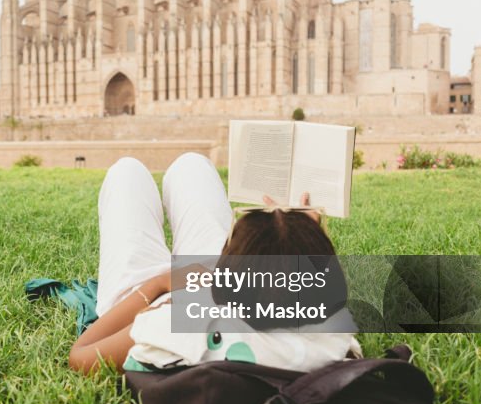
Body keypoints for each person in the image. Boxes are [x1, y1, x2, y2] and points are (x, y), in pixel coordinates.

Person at [68, 152, 360, 375]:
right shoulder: (331, 334)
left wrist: (161, 283)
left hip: (158, 298)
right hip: (229, 286)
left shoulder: (176, 334)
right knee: (192, 164)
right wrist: (293, 231)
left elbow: (80, 356)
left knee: (127, 172)